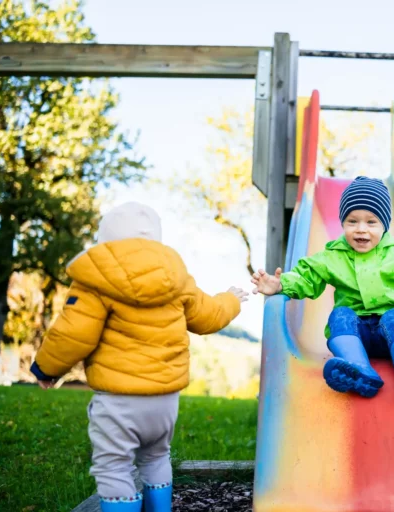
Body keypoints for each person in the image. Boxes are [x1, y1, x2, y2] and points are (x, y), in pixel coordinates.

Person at [30, 202, 248, 512]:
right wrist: (231, 299)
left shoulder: (96, 279)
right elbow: (209, 316)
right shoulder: (177, 279)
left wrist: (46, 369)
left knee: (114, 467)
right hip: (165, 400)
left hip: (119, 399)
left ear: (106, 240)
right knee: (157, 456)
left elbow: (73, 334)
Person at [252, 176, 394, 405]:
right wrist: (281, 284)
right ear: (342, 223)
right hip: (355, 334)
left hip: (391, 334)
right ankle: (360, 371)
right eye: (352, 221)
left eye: (371, 222)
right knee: (339, 315)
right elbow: (307, 275)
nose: (361, 229)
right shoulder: (333, 256)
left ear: (385, 224)